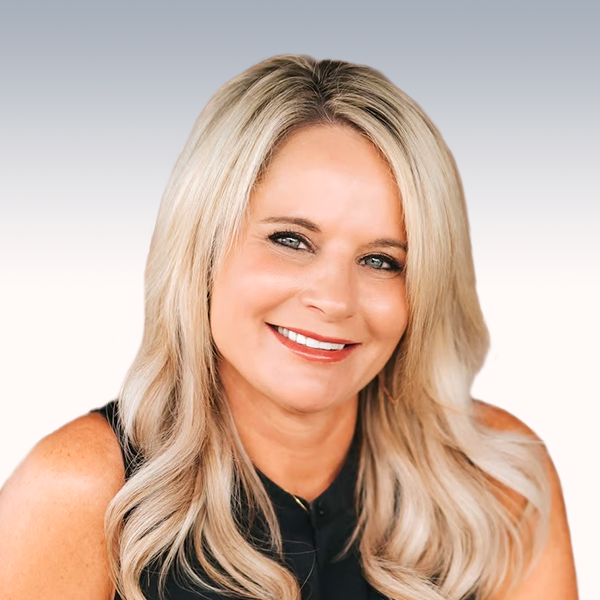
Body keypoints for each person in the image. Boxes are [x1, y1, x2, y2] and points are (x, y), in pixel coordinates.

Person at [0, 55, 577, 600]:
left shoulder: (499, 480)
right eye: (291, 240)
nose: (334, 300)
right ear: (201, 248)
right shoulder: (80, 492)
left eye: (382, 260)